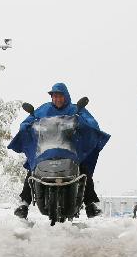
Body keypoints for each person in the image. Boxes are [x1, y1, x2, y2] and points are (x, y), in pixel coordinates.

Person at [8, 83, 109, 219]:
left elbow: (91, 122)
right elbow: (30, 119)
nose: (57, 99)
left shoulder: (75, 109)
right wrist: (25, 126)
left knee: (84, 170)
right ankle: (24, 203)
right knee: (32, 170)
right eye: (54, 96)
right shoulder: (44, 109)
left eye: (60, 96)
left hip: (70, 152)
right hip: (45, 151)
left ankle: (90, 204)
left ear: (66, 96)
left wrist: (83, 122)